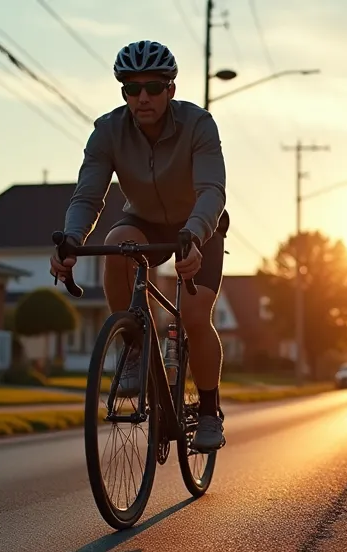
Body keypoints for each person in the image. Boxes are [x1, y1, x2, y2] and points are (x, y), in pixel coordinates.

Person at [50, 39, 229, 452]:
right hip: (144, 221)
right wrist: (72, 239)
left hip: (197, 227)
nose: (143, 96)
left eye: (153, 86)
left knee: (196, 316)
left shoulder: (199, 125)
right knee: (117, 245)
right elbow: (88, 196)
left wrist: (196, 234)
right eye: (132, 88)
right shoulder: (108, 131)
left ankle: (207, 411)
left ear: (171, 88)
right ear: (123, 92)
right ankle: (135, 346)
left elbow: (211, 190)